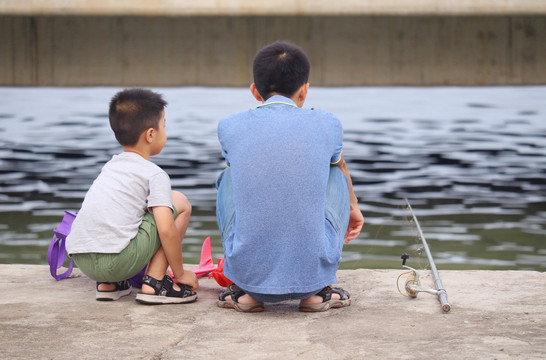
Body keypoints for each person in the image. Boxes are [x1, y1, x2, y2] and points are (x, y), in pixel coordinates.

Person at [215, 41, 364, 312]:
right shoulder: (328, 123)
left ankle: (249, 295)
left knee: (228, 178)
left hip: (249, 278)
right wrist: (352, 206)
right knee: (336, 171)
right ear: (304, 90)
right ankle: (316, 295)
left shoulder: (228, 126)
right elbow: (340, 170)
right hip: (312, 279)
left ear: (255, 92)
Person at [66, 88, 199, 304]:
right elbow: (166, 229)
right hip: (118, 260)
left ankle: (109, 284)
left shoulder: (110, 167)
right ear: (150, 134)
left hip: (84, 261)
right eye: (164, 127)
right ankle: (155, 283)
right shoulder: (154, 174)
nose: (165, 132)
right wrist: (181, 273)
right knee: (180, 203)